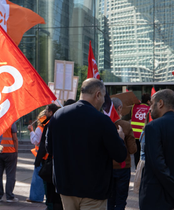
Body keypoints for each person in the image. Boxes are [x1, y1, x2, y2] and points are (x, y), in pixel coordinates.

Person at [46, 78, 127, 210]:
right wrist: (120, 139)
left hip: (66, 187)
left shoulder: (58, 116)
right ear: (98, 94)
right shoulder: (103, 121)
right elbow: (120, 155)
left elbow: (49, 149)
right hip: (94, 190)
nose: (103, 102)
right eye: (104, 97)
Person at [139, 89, 174, 209]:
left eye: (151, 104)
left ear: (160, 103)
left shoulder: (153, 127)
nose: (149, 108)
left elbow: (158, 164)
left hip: (156, 196)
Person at [108, 98, 137, 210]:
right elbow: (132, 150)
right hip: (123, 167)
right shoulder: (125, 125)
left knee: (109, 200)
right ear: (119, 108)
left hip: (108, 167)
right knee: (121, 200)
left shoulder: (103, 124)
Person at [35, 104, 60, 210]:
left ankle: (50, 205)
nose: (45, 112)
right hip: (55, 160)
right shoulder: (59, 123)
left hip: (48, 161)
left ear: (51, 112)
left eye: (46, 110)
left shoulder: (49, 125)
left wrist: (38, 160)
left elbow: (44, 145)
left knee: (48, 186)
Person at [26, 110, 47, 203]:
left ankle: (35, 197)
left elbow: (35, 141)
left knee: (37, 177)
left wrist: (31, 131)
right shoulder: (50, 126)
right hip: (48, 156)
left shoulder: (40, 127)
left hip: (41, 156)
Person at [0, 122, 18, 202]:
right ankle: (9, 196)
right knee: (10, 174)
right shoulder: (11, 123)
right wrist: (16, 151)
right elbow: (14, 138)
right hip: (10, 152)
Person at [130, 93, 150, 168]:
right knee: (144, 154)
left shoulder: (134, 107)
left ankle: (136, 169)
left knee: (136, 154)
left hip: (134, 134)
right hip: (144, 135)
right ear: (148, 101)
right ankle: (142, 170)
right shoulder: (149, 108)